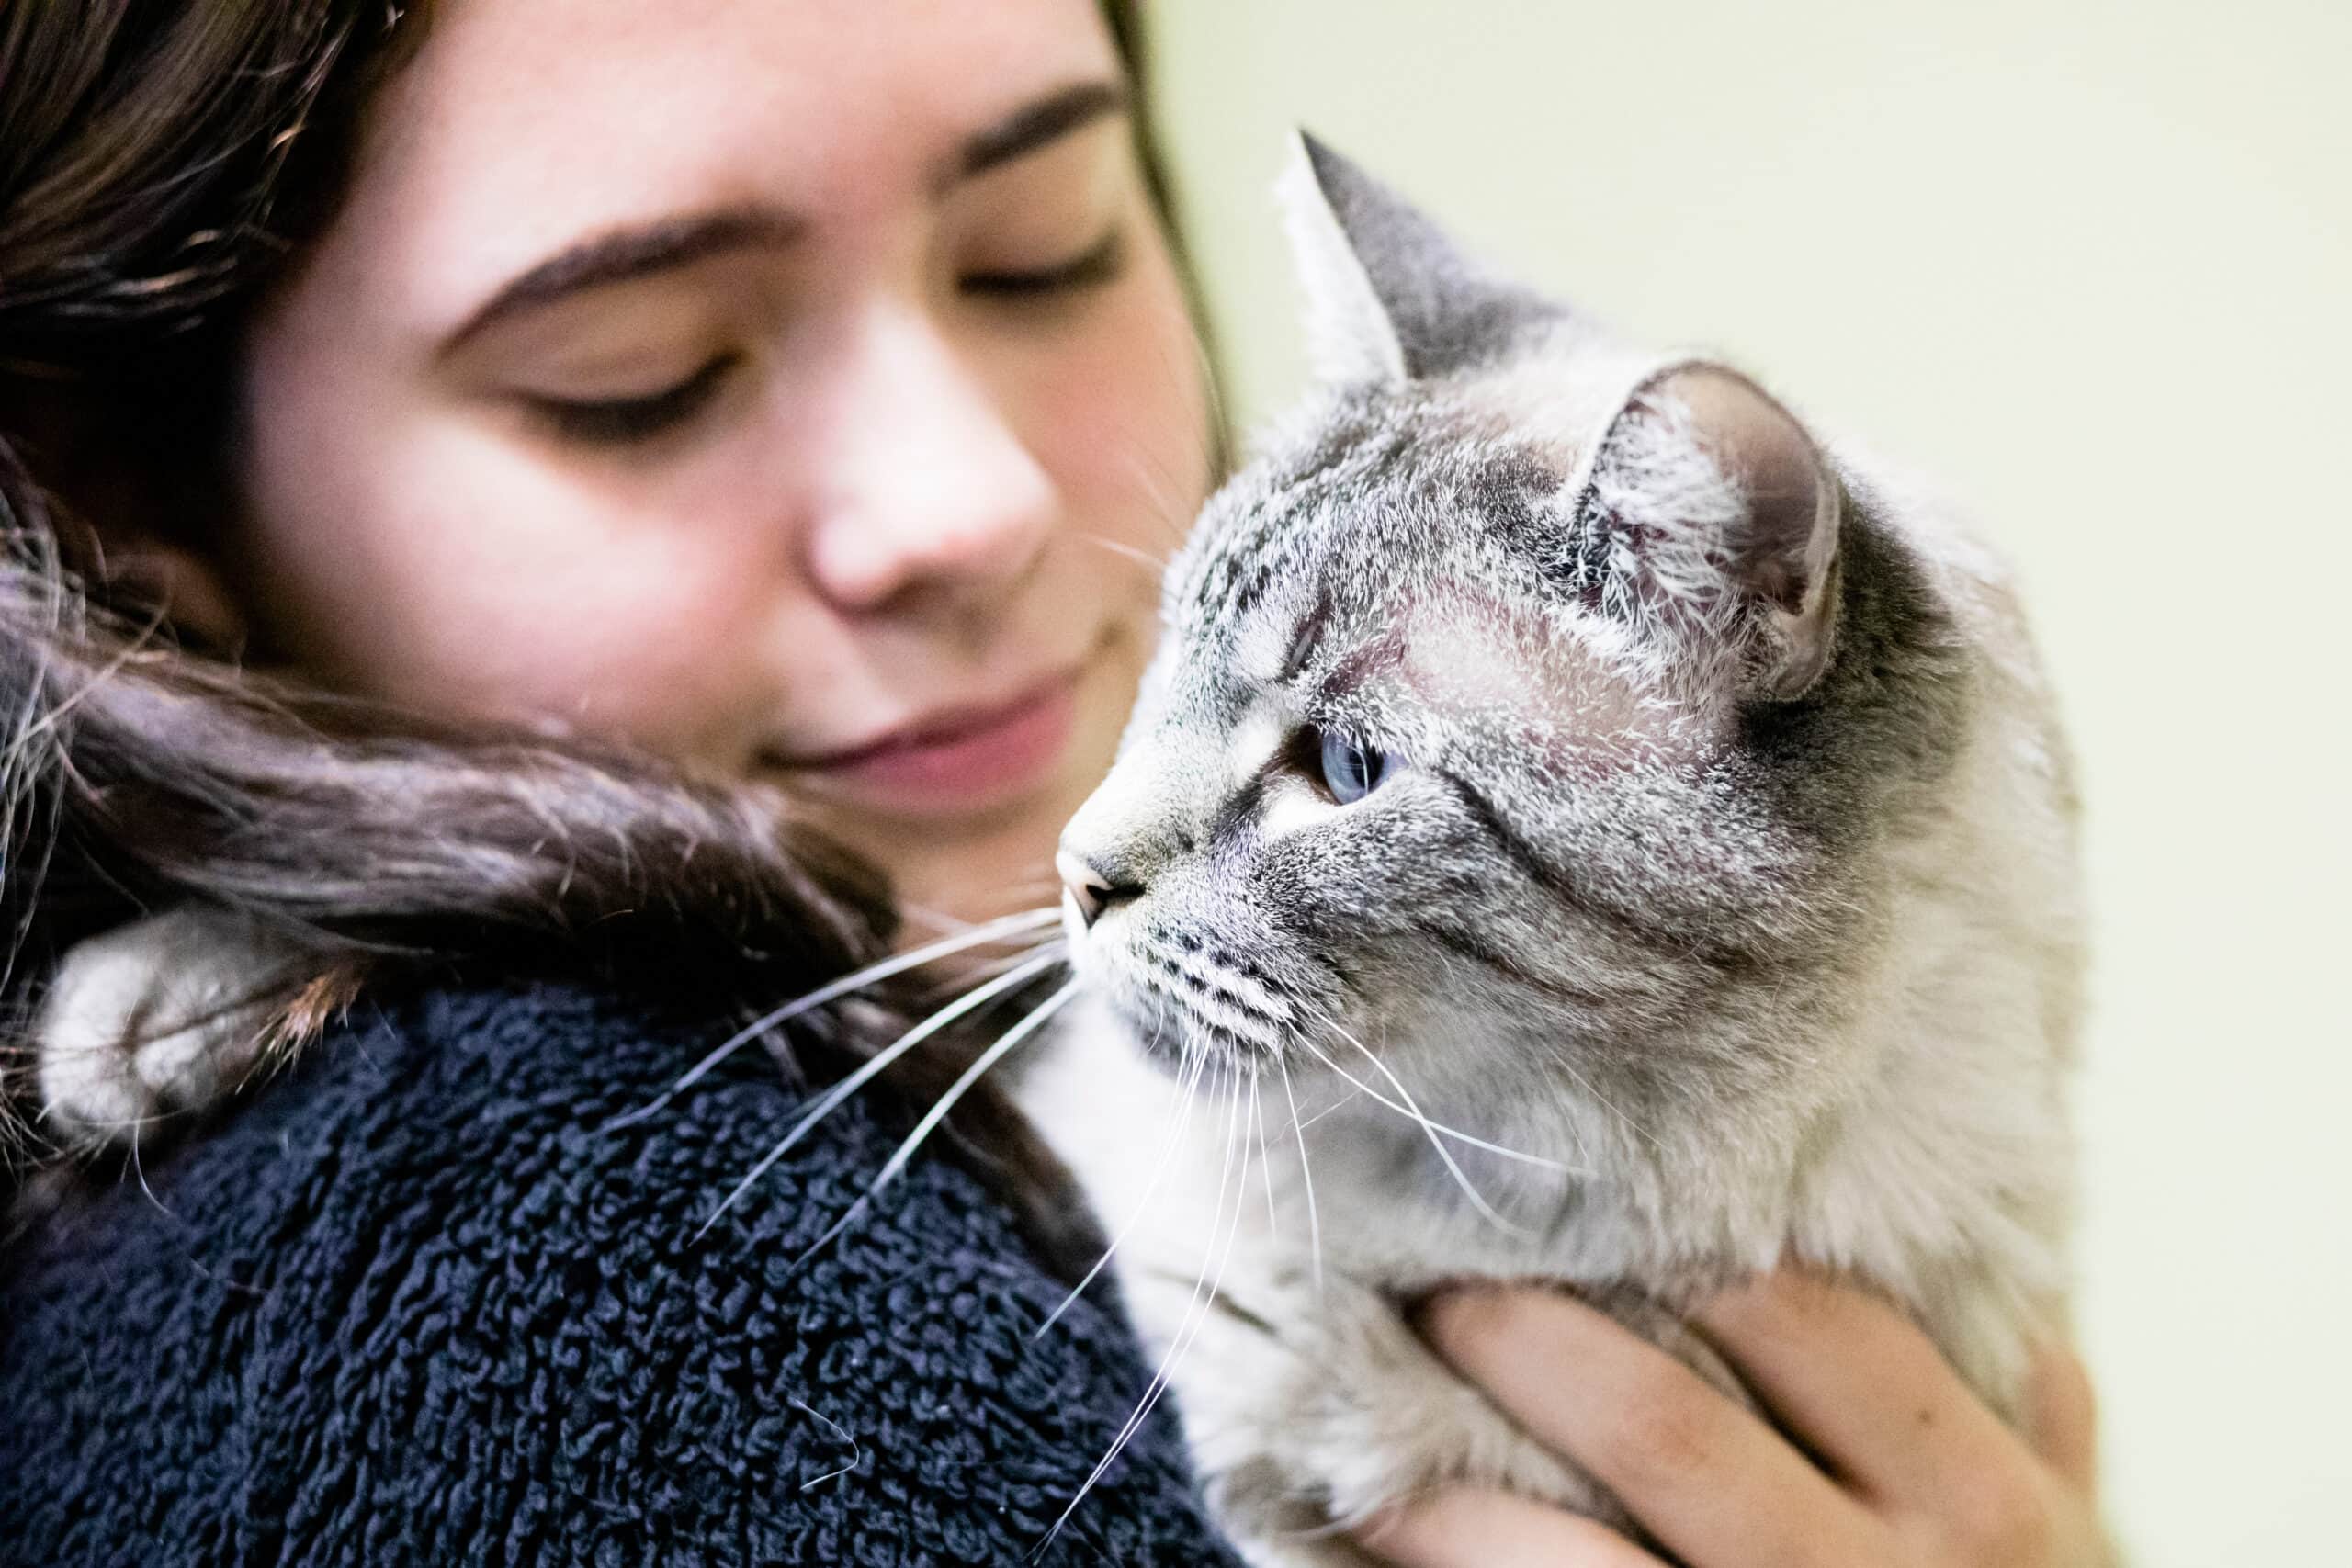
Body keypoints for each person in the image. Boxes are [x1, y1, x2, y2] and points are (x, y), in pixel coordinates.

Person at [0, 1, 2109, 1562]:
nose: (977, 503)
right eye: (640, 380)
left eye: (1038, 249)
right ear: (122, 490)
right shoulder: (542, 1273)